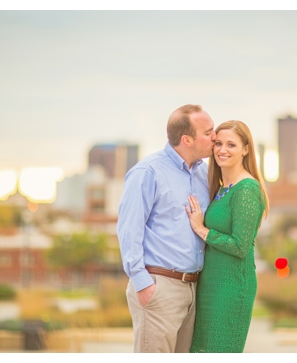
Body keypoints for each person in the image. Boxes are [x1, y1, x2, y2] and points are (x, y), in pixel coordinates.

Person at [117, 104, 215, 353]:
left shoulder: (205, 174)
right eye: (208, 132)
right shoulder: (147, 172)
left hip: (193, 289)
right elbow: (129, 230)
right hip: (159, 287)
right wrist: (143, 283)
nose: (214, 137)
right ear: (187, 139)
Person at [185, 120, 269, 353]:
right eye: (218, 143)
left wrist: (202, 230)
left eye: (231, 144)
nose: (222, 150)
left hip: (232, 288)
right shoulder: (224, 188)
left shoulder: (247, 189)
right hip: (210, 285)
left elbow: (240, 246)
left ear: (245, 149)